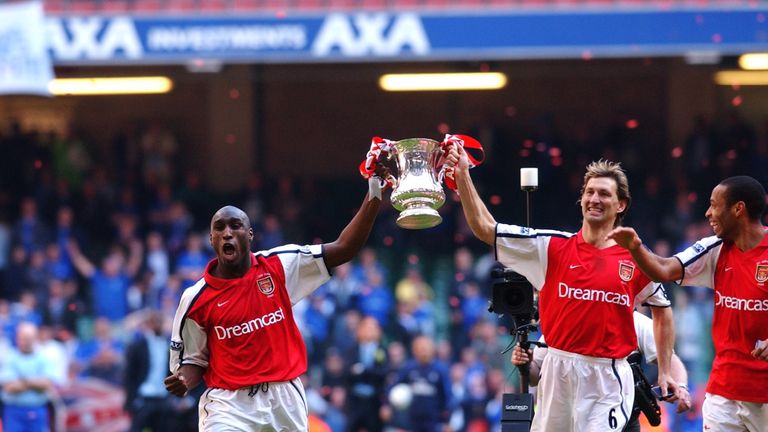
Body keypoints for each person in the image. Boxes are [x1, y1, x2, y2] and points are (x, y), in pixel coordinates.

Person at [444, 148, 680, 431]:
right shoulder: (551, 247)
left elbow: (663, 311)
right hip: (557, 369)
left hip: (606, 376)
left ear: (621, 205)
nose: (595, 199)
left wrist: (665, 370)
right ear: (581, 199)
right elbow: (485, 228)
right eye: (590, 192)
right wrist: (463, 175)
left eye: (604, 194)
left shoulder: (635, 257)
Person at [163, 169, 383, 431]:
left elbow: (345, 247)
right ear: (211, 239)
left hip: (284, 399)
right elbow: (194, 360)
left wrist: (375, 190)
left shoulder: (280, 264)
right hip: (229, 404)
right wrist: (185, 379)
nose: (227, 233)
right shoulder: (195, 298)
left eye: (236, 225)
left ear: (250, 234)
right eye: (219, 228)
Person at [607, 175, 768, 431]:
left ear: (738, 209)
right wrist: (635, 248)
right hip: (723, 393)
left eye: (714, 205)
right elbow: (664, 269)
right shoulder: (715, 248)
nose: (708, 213)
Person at [511, 311, 692, 432]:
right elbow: (535, 376)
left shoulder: (635, 321)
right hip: (573, 415)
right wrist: (525, 365)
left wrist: (681, 386)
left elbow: (670, 360)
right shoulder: (565, 319)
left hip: (624, 419)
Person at [0, 321, 62, 432]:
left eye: (29, 338)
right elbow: (9, 387)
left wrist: (23, 380)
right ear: (17, 338)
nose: (26, 342)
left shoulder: (44, 358)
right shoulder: (9, 358)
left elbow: (47, 384)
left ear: (35, 338)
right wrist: (35, 383)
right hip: (14, 412)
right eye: (23, 338)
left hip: (38, 410)